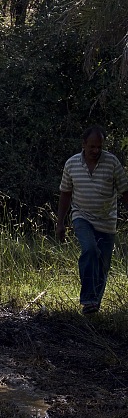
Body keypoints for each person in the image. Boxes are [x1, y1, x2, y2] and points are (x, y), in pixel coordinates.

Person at [56, 126, 128, 314]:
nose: (96, 151)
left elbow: (125, 191)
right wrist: (60, 223)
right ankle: (88, 299)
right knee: (89, 250)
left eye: (99, 147)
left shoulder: (112, 163)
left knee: (103, 266)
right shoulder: (72, 164)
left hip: (107, 221)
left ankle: (94, 304)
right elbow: (65, 194)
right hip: (82, 216)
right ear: (84, 145)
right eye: (92, 147)